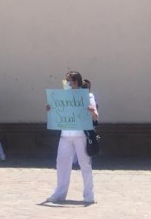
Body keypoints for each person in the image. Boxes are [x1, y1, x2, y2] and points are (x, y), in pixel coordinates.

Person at [46, 71, 98, 205]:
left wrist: (91, 111)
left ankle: (89, 195)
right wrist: (50, 108)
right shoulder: (62, 97)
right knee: (61, 164)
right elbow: (57, 112)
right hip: (65, 135)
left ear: (76, 82)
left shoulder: (87, 96)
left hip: (80, 135)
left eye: (69, 81)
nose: (67, 83)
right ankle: (59, 193)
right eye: (66, 81)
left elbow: (96, 116)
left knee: (85, 164)